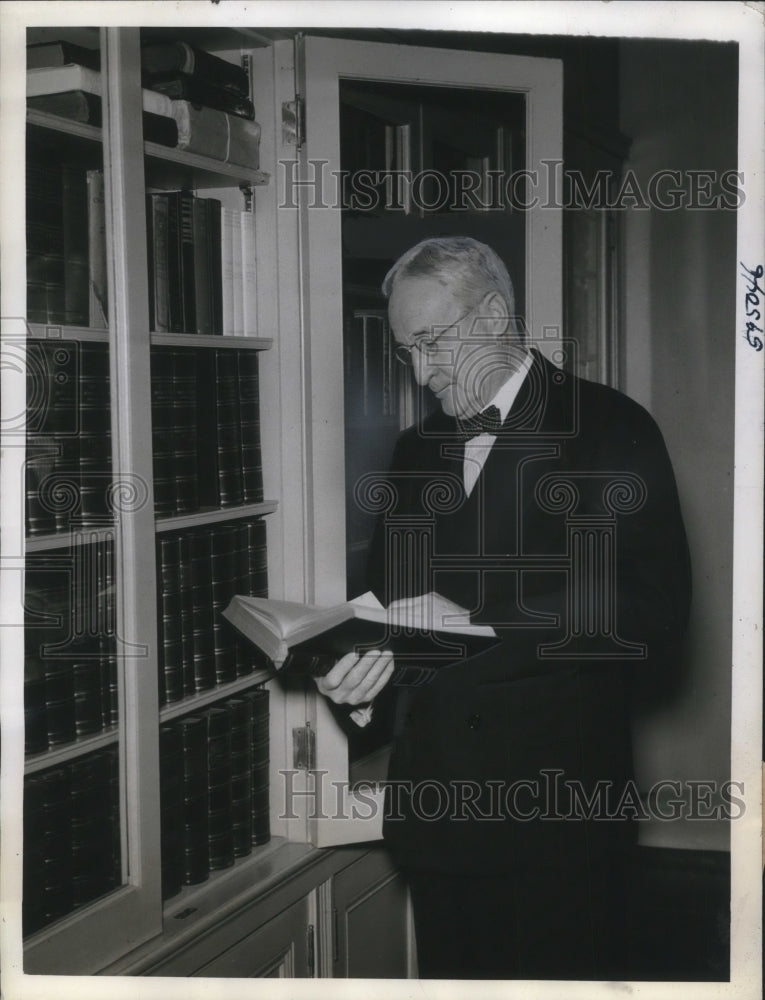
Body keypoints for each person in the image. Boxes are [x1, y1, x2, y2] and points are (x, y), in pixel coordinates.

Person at [315, 236, 691, 979]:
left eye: (430, 343)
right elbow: (397, 611)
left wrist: (483, 623)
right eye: (405, 351)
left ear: (491, 315)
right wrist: (360, 678)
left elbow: (654, 610)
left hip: (555, 816)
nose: (420, 374)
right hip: (434, 808)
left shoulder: (610, 428)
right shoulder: (414, 448)